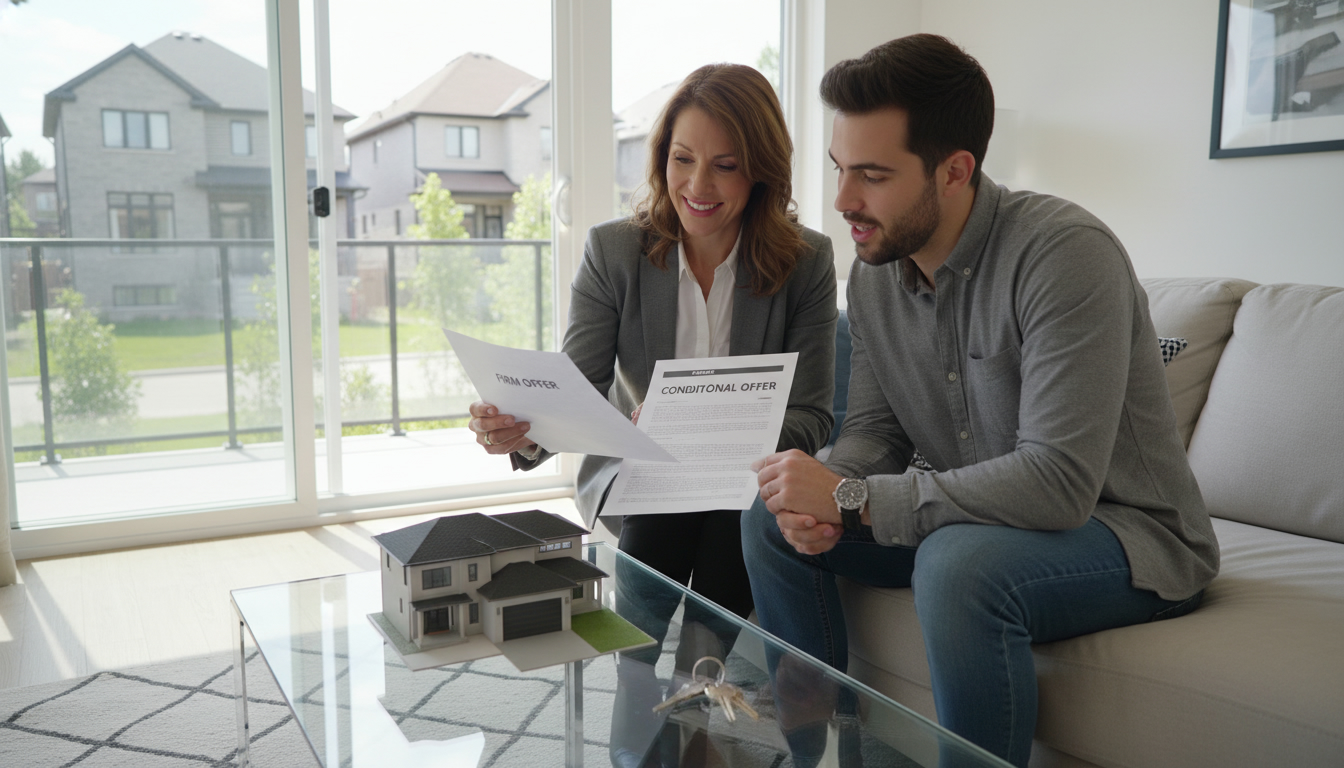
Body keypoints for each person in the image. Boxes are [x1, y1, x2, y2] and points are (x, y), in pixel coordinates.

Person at [743, 34, 1219, 768]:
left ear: (956, 170)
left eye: (871, 175)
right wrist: (822, 494)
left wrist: (855, 496)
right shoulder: (877, 273)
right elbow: (873, 429)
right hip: (987, 517)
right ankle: (818, 753)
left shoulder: (1064, 254)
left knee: (957, 564)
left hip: (1125, 533)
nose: (842, 202)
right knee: (769, 521)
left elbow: (1059, 484)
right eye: (840, 169)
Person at [468, 62, 838, 765]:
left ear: (760, 171)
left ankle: (677, 708)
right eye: (682, 159)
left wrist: (716, 434)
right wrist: (520, 431)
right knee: (665, 522)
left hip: (746, 479)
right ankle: (662, 709)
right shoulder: (616, 251)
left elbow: (813, 416)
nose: (698, 186)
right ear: (661, 156)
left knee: (734, 517)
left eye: (725, 167)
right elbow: (577, 390)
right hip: (647, 475)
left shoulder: (807, 262)